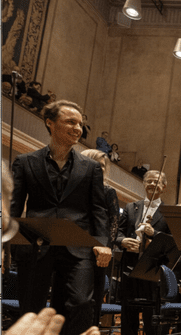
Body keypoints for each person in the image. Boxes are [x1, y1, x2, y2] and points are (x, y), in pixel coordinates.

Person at [10, 100, 112, 335]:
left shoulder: (91, 168)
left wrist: (101, 243)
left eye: (80, 123)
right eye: (70, 122)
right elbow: (14, 206)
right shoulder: (25, 162)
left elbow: (98, 209)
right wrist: (11, 240)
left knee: (81, 303)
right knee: (30, 310)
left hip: (78, 246)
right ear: (50, 123)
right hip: (37, 244)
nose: (78, 128)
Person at [115, 170, 171, 335]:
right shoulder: (131, 207)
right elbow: (118, 232)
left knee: (151, 315)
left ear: (164, 187)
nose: (153, 184)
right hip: (129, 266)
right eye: (149, 181)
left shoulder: (169, 211)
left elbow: (173, 240)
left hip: (153, 268)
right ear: (144, 184)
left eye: (157, 182)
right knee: (128, 313)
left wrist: (154, 234)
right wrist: (122, 241)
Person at [79, 149, 119, 327]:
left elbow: (113, 225)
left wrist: (104, 248)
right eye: (96, 164)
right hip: (75, 248)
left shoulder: (108, 191)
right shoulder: (73, 189)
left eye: (102, 166)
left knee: (93, 299)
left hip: (98, 253)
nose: (99, 169)